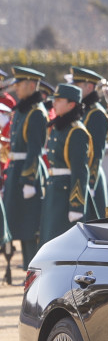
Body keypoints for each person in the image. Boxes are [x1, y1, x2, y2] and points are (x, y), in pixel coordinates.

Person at [4, 67, 48, 266]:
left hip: (27, 174)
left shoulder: (37, 112)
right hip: (16, 170)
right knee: (18, 223)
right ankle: (27, 266)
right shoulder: (23, 110)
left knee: (30, 225)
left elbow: (34, 150)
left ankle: (33, 266)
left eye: (20, 85)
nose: (16, 89)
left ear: (31, 85)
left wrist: (28, 180)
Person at [40, 84, 91, 242]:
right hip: (54, 190)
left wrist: (76, 205)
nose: (54, 103)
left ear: (71, 104)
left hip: (66, 193)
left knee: (61, 241)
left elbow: (80, 171)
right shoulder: (58, 127)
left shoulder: (76, 131)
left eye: (59, 100)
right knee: (49, 238)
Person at [71, 67, 108, 220]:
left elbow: (97, 152)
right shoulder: (83, 110)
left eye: (77, 85)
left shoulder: (96, 114)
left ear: (89, 87)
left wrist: (91, 182)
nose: (73, 88)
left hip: (90, 178)